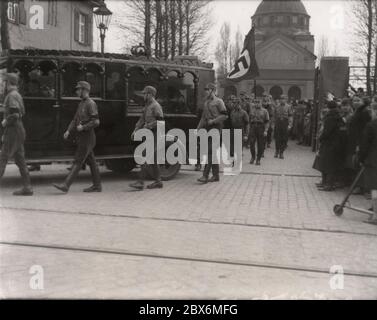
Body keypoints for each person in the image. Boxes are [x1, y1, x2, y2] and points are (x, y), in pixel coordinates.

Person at [53, 81, 102, 193]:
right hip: (83, 137)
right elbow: (75, 120)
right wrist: (68, 130)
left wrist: (84, 127)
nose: (77, 91)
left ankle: (66, 185)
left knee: (78, 161)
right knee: (92, 162)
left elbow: (96, 121)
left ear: (85, 90)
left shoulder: (91, 103)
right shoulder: (81, 104)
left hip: (87, 137)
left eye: (79, 89)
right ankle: (97, 186)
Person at [0, 73, 33, 196]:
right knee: (20, 160)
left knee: (2, 158)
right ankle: (27, 187)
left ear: (8, 83)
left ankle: (28, 187)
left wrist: (5, 121)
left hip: (13, 130)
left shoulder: (11, 96)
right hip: (18, 130)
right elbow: (21, 112)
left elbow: (15, 114)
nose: (3, 84)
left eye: (4, 82)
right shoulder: (17, 95)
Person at [129, 86, 164, 190]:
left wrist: (149, 126)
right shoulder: (147, 106)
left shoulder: (156, 106)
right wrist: (136, 129)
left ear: (151, 95)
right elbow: (141, 119)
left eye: (145, 94)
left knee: (144, 156)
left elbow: (160, 122)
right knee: (153, 160)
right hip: (148, 134)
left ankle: (140, 182)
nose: (143, 95)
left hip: (155, 134)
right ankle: (158, 182)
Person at [197, 83, 228, 183]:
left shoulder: (219, 101)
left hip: (216, 127)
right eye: (205, 89)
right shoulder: (206, 102)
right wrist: (198, 128)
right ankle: (215, 176)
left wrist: (214, 121)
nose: (205, 91)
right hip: (207, 127)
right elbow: (203, 117)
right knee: (212, 152)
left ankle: (205, 175)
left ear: (212, 90)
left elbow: (225, 116)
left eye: (207, 89)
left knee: (210, 151)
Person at [317, 100, 345, 191]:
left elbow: (327, 131)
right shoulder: (339, 116)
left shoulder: (330, 117)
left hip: (328, 143)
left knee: (327, 164)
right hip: (336, 143)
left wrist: (320, 138)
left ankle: (328, 184)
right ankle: (327, 183)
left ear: (328, 107)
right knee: (331, 164)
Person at [359, 100, 377, 223]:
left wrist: (361, 158)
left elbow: (364, 145)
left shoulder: (371, 125)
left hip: (373, 160)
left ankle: (375, 216)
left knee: (374, 188)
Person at [249, 99, 269, 165]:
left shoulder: (265, 111)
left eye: (258, 102)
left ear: (261, 103)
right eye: (256, 102)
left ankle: (258, 159)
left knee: (260, 144)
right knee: (251, 143)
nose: (257, 104)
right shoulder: (252, 110)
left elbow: (267, 122)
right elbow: (249, 120)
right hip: (253, 127)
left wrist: (266, 130)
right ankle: (253, 157)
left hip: (261, 127)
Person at [273, 95, 293, 159]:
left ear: (286, 100)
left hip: (285, 123)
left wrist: (290, 124)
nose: (282, 100)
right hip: (278, 123)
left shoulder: (288, 107)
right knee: (277, 138)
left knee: (284, 138)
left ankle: (281, 152)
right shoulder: (277, 106)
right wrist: (273, 124)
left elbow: (290, 116)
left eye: (284, 99)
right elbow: (274, 116)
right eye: (281, 99)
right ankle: (277, 151)